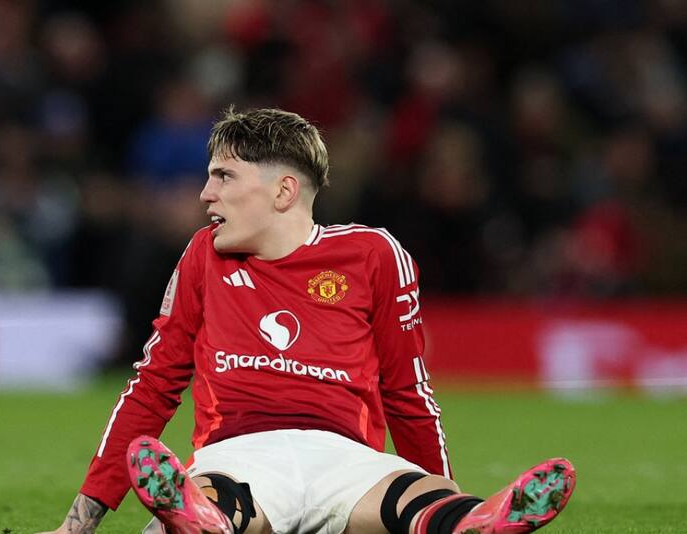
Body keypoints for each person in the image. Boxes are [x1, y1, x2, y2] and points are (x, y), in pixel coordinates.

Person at [41, 108, 575, 534]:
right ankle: (203, 519)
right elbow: (154, 384)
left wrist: (442, 485)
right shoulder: (204, 255)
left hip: (348, 459)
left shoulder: (373, 254)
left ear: (283, 191)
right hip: (239, 455)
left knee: (416, 498)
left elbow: (407, 392)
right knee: (218, 498)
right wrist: (77, 525)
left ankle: (468, 520)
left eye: (223, 176)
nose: (206, 194)